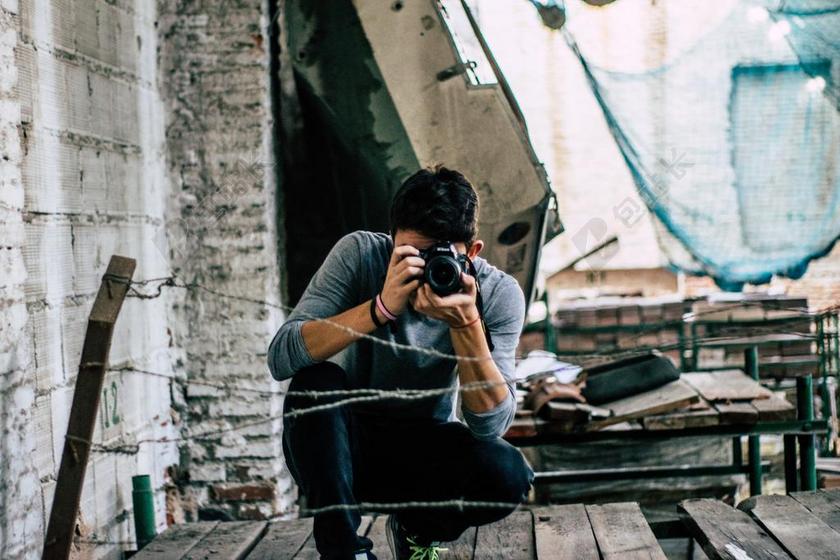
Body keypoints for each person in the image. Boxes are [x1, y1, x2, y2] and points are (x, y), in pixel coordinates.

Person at [267, 165, 535, 560]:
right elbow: (281, 357)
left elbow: (490, 425)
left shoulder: (496, 293)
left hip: (425, 451)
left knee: (509, 473)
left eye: (441, 258)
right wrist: (379, 308)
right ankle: (344, 553)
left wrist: (466, 324)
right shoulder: (360, 254)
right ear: (391, 239)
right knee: (316, 380)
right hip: (341, 452)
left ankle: (418, 531)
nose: (428, 269)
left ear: (473, 253)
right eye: (412, 254)